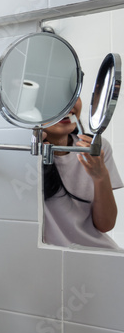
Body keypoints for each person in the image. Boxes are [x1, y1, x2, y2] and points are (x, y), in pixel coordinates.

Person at [41, 98, 121, 250]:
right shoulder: (22, 153)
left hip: (97, 256)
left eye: (73, 92)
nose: (67, 103)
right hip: (50, 260)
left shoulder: (97, 148)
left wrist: (100, 176)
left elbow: (105, 224)